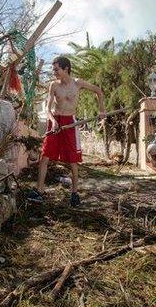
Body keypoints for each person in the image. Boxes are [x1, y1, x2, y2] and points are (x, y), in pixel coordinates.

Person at [32, 56, 106, 207]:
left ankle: (74, 194)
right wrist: (53, 122)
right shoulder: (54, 85)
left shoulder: (77, 83)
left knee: (73, 161)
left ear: (66, 69)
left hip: (70, 123)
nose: (54, 73)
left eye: (57, 69)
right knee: (45, 157)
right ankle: (39, 191)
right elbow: (48, 108)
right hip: (55, 122)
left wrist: (102, 111)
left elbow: (98, 91)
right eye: (53, 70)